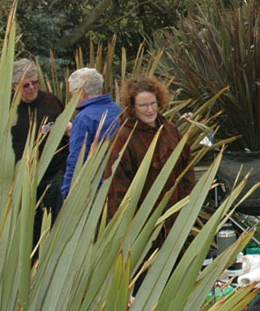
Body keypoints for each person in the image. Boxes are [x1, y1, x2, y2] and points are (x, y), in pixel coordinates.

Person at [105, 75, 194, 218]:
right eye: (143, 105)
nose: (150, 110)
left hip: (175, 215)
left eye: (153, 103)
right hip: (142, 219)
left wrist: (186, 205)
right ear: (132, 107)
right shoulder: (123, 138)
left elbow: (187, 169)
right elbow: (117, 186)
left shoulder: (170, 130)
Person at [10, 58, 68, 230]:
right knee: (28, 228)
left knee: (56, 225)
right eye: (26, 85)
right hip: (22, 178)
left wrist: (63, 170)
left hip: (53, 175)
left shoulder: (51, 102)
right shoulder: (7, 110)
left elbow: (68, 134)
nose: (32, 88)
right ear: (15, 87)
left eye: (35, 83)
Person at [61, 68, 122, 198]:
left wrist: (67, 192)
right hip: (120, 183)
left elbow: (77, 159)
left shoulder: (84, 118)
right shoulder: (119, 110)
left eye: (72, 94)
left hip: (95, 189)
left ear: (82, 93)